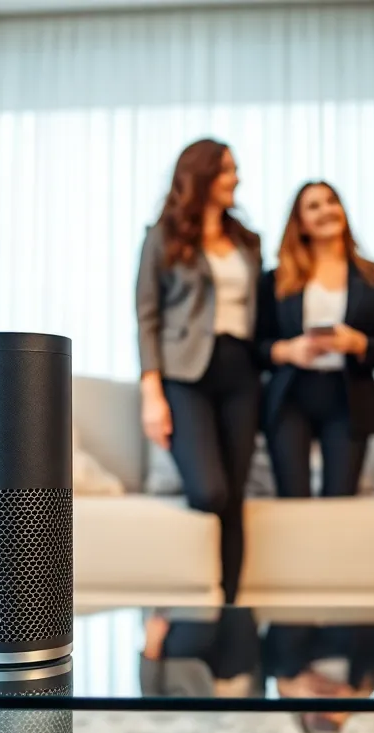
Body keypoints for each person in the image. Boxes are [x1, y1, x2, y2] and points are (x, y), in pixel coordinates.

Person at [136, 138, 263, 604]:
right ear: (203, 175)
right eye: (227, 170)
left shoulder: (247, 241)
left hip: (242, 374)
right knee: (209, 491)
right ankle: (190, 603)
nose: (236, 178)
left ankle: (227, 611)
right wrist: (152, 393)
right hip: (185, 374)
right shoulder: (163, 236)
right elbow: (146, 316)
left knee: (234, 499)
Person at [255, 181, 374, 497]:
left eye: (331, 201)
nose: (326, 210)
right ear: (300, 222)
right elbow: (256, 347)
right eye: (313, 206)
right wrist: (288, 350)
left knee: (340, 499)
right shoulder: (276, 279)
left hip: (348, 398)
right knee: (293, 498)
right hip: (291, 396)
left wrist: (358, 344)